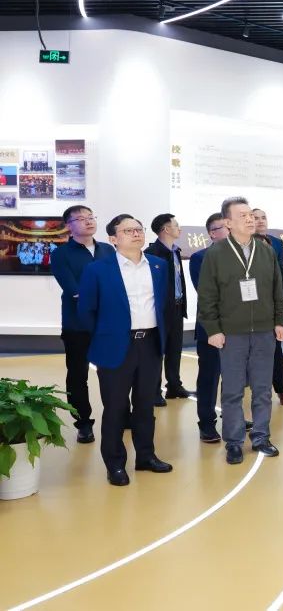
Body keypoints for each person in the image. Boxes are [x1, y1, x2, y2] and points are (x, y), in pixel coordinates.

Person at [78, 214, 172, 486]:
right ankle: (115, 464)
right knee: (116, 407)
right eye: (128, 230)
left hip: (150, 344)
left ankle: (146, 456)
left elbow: (164, 305)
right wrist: (107, 335)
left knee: (145, 404)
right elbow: (86, 311)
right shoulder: (98, 269)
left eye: (138, 229)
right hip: (115, 345)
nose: (136, 233)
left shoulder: (158, 265)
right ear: (113, 239)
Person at [197, 197, 283, 464]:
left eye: (251, 215)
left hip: (264, 331)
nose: (250, 219)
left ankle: (261, 436)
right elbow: (207, 295)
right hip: (231, 333)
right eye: (243, 215)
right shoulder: (216, 253)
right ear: (228, 222)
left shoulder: (266, 250)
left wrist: (280, 321)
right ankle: (234, 441)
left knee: (262, 388)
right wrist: (213, 329)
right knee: (233, 390)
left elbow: (277, 289)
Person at [51, 206, 116, 444]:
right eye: (80, 218)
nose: (88, 221)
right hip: (77, 325)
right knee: (78, 375)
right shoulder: (61, 254)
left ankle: (119, 415)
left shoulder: (108, 250)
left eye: (90, 217)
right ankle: (83, 423)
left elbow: (117, 283)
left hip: (107, 324)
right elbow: (74, 290)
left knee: (113, 372)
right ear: (69, 225)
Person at [189, 213, 230, 443]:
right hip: (211, 328)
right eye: (223, 227)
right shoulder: (199, 258)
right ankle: (206, 422)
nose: (229, 229)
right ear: (212, 233)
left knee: (234, 377)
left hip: (238, 328)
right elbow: (206, 293)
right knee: (209, 377)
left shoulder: (243, 254)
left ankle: (232, 417)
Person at [147, 213, 192, 405]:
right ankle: (154, 391)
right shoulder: (152, 253)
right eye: (176, 225)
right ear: (165, 229)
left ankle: (174, 385)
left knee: (175, 349)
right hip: (160, 310)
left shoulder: (175, 251)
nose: (179, 228)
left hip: (177, 307)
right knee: (157, 351)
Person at [252, 208, 283, 406]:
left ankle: (281, 389)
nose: (260, 221)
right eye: (255, 218)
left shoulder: (276, 242)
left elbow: (279, 274)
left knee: (276, 350)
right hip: (250, 306)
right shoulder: (243, 242)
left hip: (272, 304)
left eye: (263, 217)